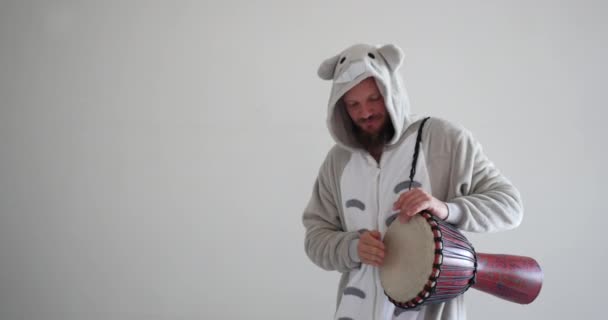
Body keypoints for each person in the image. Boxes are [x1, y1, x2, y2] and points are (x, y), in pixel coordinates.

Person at [302, 43, 523, 320]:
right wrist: (352, 247)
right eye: (353, 104)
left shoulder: (444, 139)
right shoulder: (338, 161)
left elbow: (510, 205)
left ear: (391, 90)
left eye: (374, 98)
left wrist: (446, 209)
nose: (365, 113)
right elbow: (315, 238)